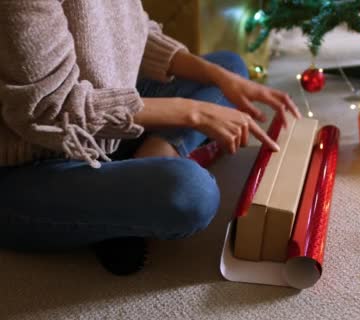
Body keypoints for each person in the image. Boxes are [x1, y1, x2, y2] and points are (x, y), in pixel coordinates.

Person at [0, 1, 301, 275]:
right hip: (30, 163)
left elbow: (135, 34)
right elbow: (52, 107)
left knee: (228, 67)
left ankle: (143, 168)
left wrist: (218, 77)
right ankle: (122, 201)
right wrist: (192, 112)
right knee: (190, 193)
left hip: (99, 124)